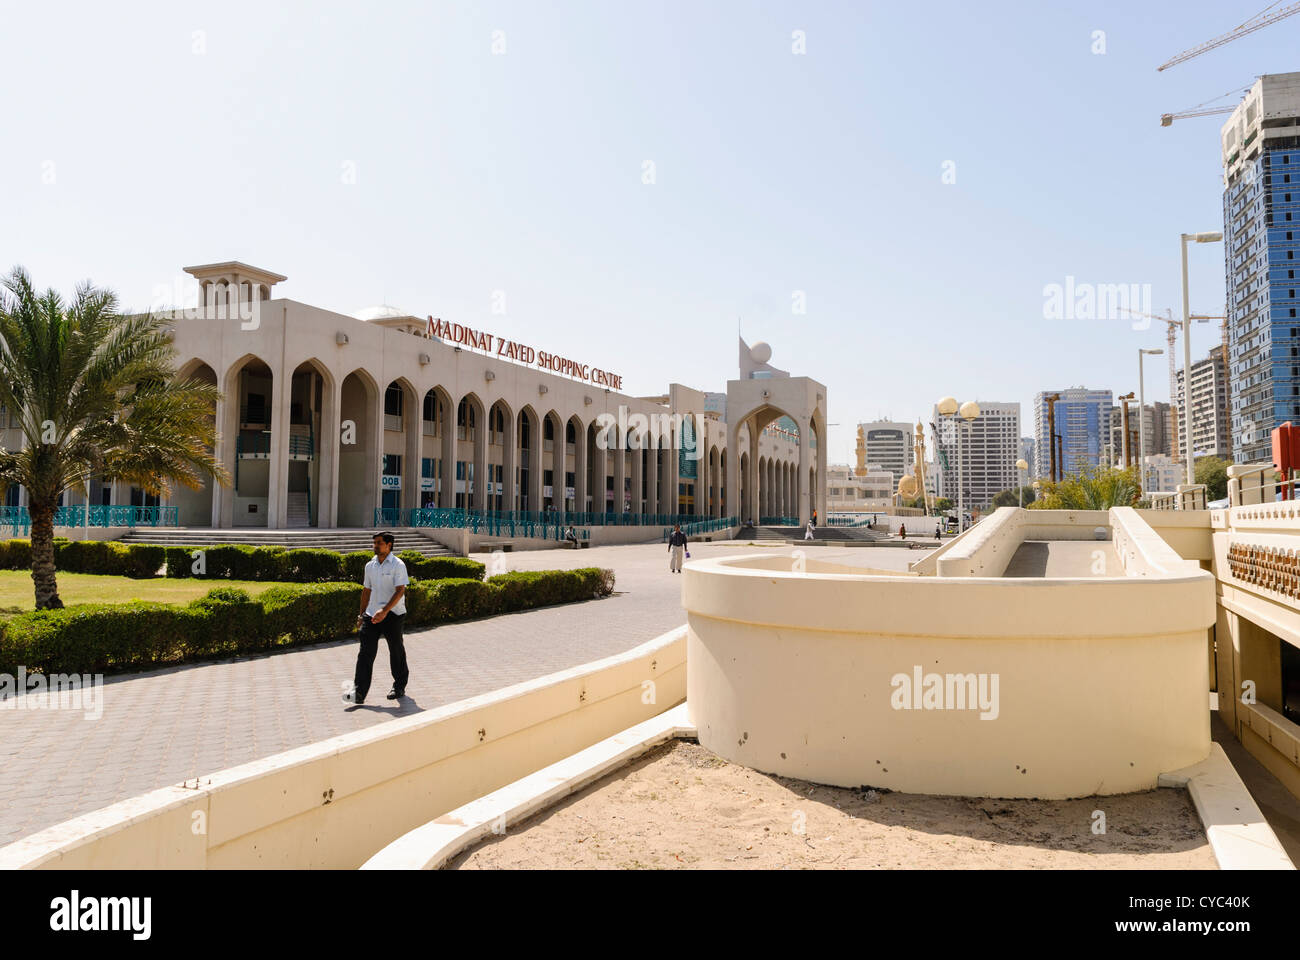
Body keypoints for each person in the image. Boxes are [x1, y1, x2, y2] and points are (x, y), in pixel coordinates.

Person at [343, 532, 410, 705]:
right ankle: (358, 692)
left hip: (393, 614)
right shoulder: (370, 565)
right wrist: (361, 614)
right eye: (374, 543)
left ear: (389, 545)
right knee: (365, 653)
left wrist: (385, 610)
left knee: (396, 650)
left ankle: (399, 685)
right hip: (372, 614)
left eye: (379, 543)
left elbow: (400, 590)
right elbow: (366, 591)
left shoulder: (398, 565)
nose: (375, 546)